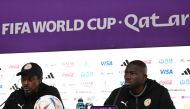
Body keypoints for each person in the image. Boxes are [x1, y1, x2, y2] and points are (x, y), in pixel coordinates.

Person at [104, 60, 175, 109]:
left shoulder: (160, 93)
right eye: (126, 73)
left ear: (144, 77)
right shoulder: (117, 93)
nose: (127, 77)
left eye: (132, 73)